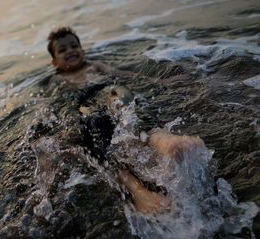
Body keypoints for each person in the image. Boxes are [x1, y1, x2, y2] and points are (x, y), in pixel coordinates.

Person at [44, 26, 206, 214]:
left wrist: (159, 81)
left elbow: (124, 75)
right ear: (55, 62)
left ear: (82, 51)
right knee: (98, 138)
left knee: (126, 103)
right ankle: (138, 192)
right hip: (84, 103)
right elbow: (51, 104)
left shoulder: (95, 66)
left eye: (73, 46)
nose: (70, 51)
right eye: (62, 50)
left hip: (107, 91)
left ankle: (163, 140)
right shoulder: (58, 79)